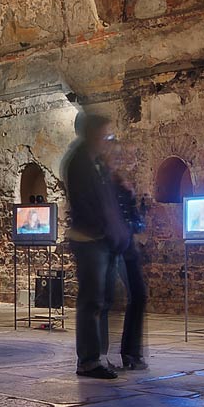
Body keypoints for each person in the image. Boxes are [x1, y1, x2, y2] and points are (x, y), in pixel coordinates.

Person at [61, 112, 131, 379]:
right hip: (89, 240)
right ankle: (89, 360)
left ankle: (98, 356)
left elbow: (108, 201)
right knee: (91, 301)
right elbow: (88, 204)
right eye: (106, 135)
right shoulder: (79, 163)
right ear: (92, 134)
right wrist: (107, 229)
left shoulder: (96, 162)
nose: (108, 141)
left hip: (104, 240)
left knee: (104, 300)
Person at [102, 169, 149, 370]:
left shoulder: (123, 189)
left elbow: (137, 223)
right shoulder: (101, 186)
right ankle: (100, 355)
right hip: (110, 248)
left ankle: (131, 353)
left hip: (127, 248)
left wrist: (131, 200)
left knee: (138, 295)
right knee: (106, 300)